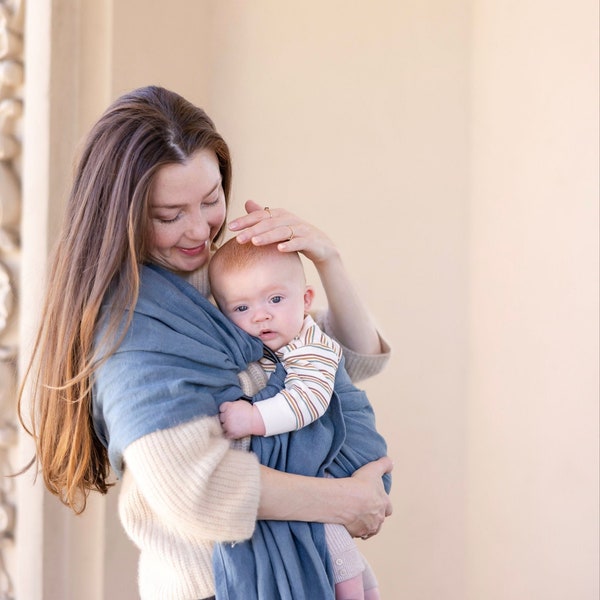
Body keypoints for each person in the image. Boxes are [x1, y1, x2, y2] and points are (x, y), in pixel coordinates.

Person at [17, 85, 393, 600]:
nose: (199, 230)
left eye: (212, 199)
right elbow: (192, 490)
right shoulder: (134, 329)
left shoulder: (217, 281)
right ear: (121, 215)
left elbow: (346, 359)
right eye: (170, 216)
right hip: (212, 586)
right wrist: (345, 501)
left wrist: (328, 260)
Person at [209, 238, 388, 600]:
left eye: (275, 299)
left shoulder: (313, 346)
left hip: (343, 465)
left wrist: (253, 418)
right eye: (242, 307)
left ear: (306, 300)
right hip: (315, 483)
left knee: (331, 541)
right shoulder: (271, 349)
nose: (261, 315)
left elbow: (308, 400)